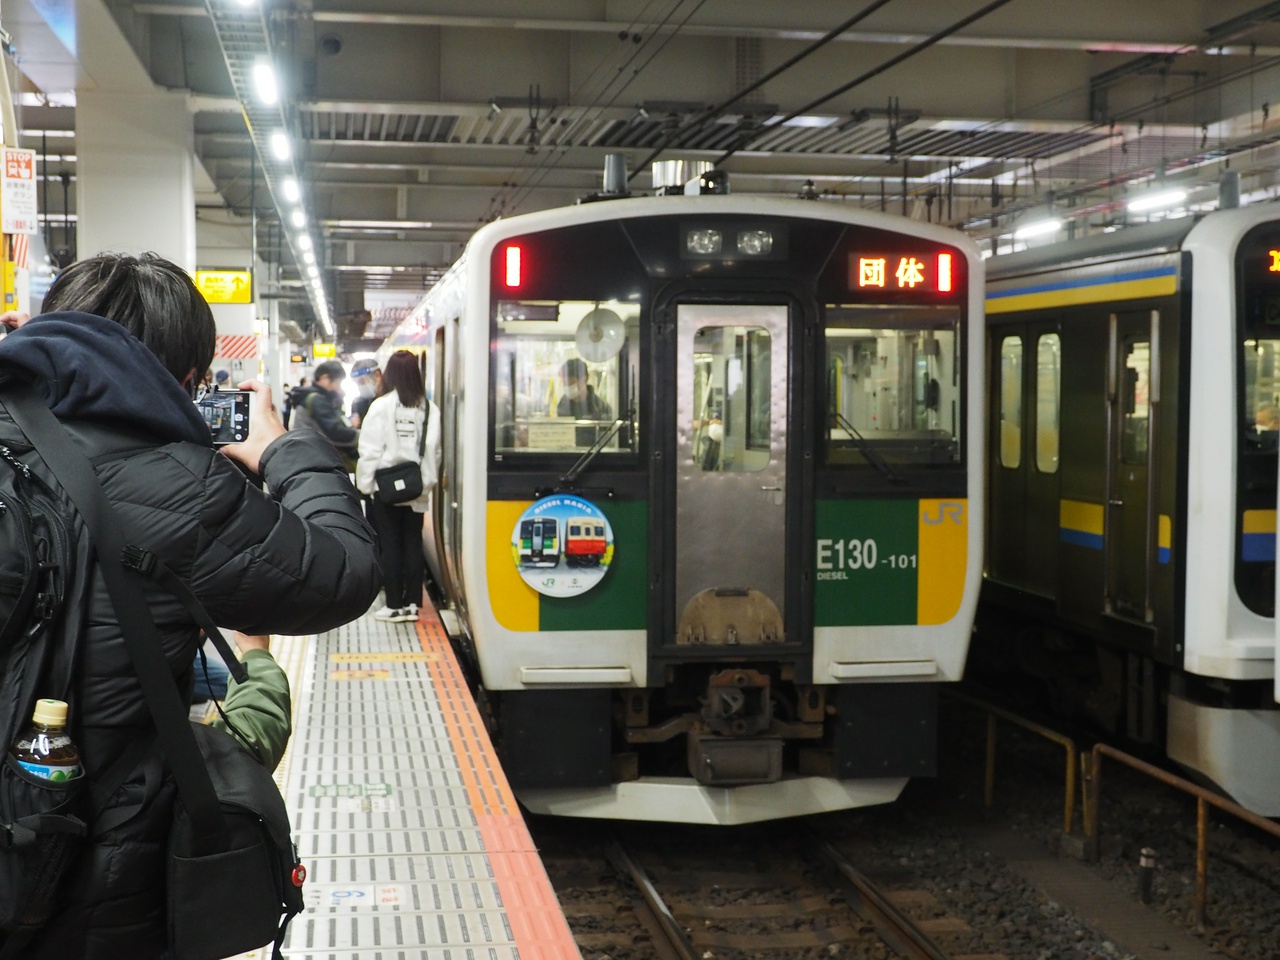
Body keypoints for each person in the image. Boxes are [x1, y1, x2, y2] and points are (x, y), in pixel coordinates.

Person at [0, 251, 380, 958]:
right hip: (95, 886)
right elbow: (346, 573)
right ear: (186, 380)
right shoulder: (182, 483)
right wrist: (282, 449)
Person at [355, 350, 441, 623]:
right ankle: (413, 605)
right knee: (413, 544)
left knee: (390, 545)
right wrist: (427, 484)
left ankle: (394, 605)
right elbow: (434, 451)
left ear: (389, 374)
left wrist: (365, 485)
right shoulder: (429, 409)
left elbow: (370, 450)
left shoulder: (381, 406)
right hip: (416, 487)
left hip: (386, 488)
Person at [288, 360, 359, 470]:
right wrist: (360, 436)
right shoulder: (317, 399)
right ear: (325, 378)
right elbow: (334, 432)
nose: (338, 388)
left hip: (308, 457)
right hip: (317, 459)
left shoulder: (310, 396)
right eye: (338, 383)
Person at [350, 358, 382, 428]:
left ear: (377, 376)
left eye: (362, 381)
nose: (360, 387)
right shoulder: (358, 404)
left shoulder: (391, 401)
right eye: (357, 383)